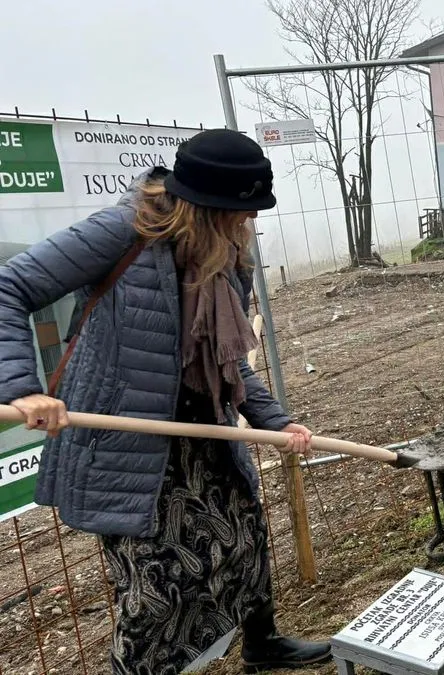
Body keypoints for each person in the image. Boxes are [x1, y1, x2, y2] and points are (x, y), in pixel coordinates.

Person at [0, 130, 332, 675]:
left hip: (205, 431)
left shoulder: (228, 253)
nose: (246, 224)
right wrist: (21, 388)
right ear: (205, 205)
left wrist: (279, 421)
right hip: (128, 439)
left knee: (243, 538)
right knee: (157, 584)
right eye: (238, 212)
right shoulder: (123, 230)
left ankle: (261, 643)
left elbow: (226, 360)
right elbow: (9, 286)